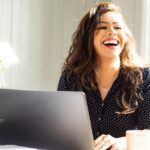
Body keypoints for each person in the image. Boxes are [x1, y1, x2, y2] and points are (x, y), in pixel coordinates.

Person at [57, 2, 150, 150]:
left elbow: (148, 134)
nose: (112, 32)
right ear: (88, 37)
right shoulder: (70, 78)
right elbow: (59, 129)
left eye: (118, 27)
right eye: (102, 27)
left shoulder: (144, 77)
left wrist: (122, 142)